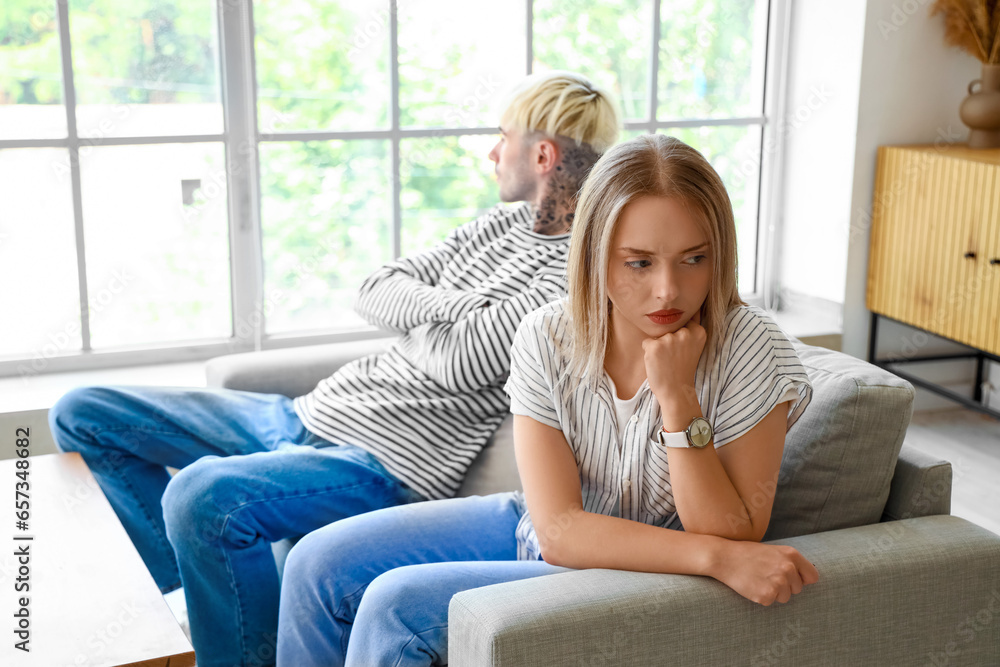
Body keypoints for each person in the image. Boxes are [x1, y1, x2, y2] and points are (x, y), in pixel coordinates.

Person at [47, 70, 621, 667]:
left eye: (502, 136)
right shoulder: (498, 227)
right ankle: (187, 610)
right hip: (305, 413)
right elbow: (376, 286)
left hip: (380, 463)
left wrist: (431, 322)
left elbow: (458, 363)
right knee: (83, 413)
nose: (492, 152)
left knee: (201, 494)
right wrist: (455, 308)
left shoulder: (572, 277)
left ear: (544, 153)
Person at [274, 134, 820, 667]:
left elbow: (733, 530)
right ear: (594, 253)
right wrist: (718, 557)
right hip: (538, 530)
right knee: (315, 563)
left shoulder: (750, 346)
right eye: (639, 262)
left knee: (397, 607)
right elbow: (557, 528)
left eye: (693, 259)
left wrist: (678, 400)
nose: (668, 291)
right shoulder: (547, 333)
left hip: (638, 572)